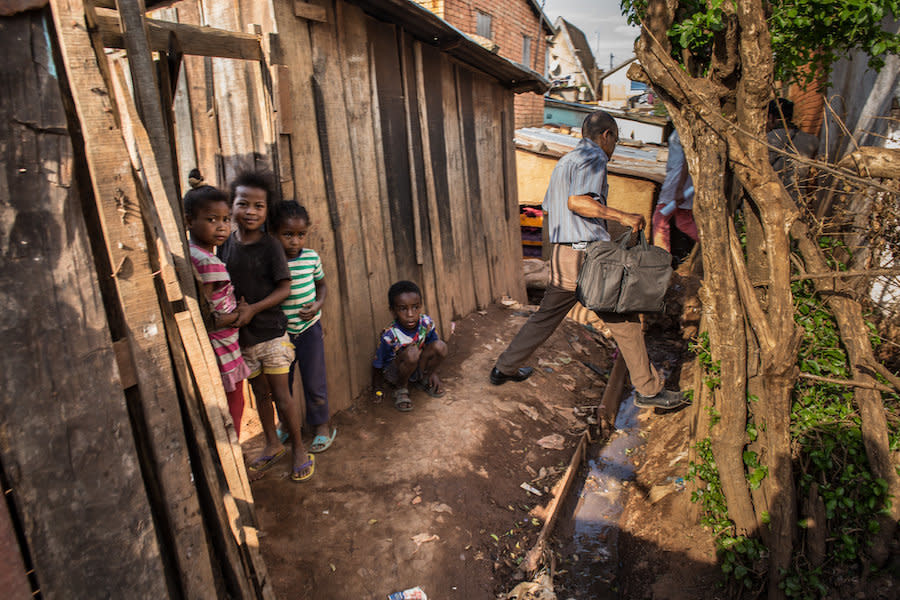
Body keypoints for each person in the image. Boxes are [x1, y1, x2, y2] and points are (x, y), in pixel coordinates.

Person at [490, 111, 687, 410]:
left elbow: (555, 207)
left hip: (563, 255)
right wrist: (623, 216)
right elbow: (577, 202)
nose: (614, 147)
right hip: (586, 258)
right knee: (624, 320)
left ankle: (503, 368)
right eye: (616, 141)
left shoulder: (565, 162)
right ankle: (647, 390)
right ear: (605, 135)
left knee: (545, 317)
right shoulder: (594, 157)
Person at [219, 170, 313, 482]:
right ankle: (272, 443)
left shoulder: (271, 246)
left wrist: (253, 309)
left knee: (282, 396)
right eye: (243, 204)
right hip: (243, 339)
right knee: (259, 394)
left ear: (266, 210)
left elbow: (284, 288)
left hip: (272, 334)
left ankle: (298, 447)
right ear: (231, 206)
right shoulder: (226, 246)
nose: (250, 211)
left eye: (259, 206)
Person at [184, 178, 251, 437]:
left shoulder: (192, 253)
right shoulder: (210, 263)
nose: (221, 227)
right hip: (221, 345)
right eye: (212, 220)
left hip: (214, 345)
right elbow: (208, 317)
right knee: (234, 404)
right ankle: (233, 459)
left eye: (225, 220)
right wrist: (240, 315)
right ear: (189, 221)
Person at [271, 200, 336, 453]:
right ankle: (286, 426)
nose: (295, 241)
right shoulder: (273, 262)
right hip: (280, 335)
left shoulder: (311, 257)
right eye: (288, 235)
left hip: (309, 330)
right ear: (275, 234)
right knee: (282, 385)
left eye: (300, 235)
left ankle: (321, 426)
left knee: (314, 380)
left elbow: (322, 285)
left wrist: (318, 304)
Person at [373, 280, 448, 412]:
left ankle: (426, 378)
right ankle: (401, 388)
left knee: (440, 346)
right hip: (396, 373)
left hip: (417, 364)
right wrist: (377, 387)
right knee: (412, 352)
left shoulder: (426, 323)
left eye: (415, 307)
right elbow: (378, 363)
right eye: (403, 308)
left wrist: (433, 373)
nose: (410, 314)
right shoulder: (390, 335)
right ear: (393, 311)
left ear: (420, 306)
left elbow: (433, 346)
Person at [651, 130, 698, 252]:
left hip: (678, 178)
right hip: (683, 178)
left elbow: (688, 158)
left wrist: (680, 188)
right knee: (684, 221)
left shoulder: (685, 130)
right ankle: (713, 244)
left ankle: (661, 259)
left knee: (660, 218)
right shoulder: (682, 128)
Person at [766, 98, 819, 199]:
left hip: (771, 200)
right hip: (797, 202)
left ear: (771, 117)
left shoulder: (766, 139)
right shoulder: (812, 140)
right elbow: (812, 178)